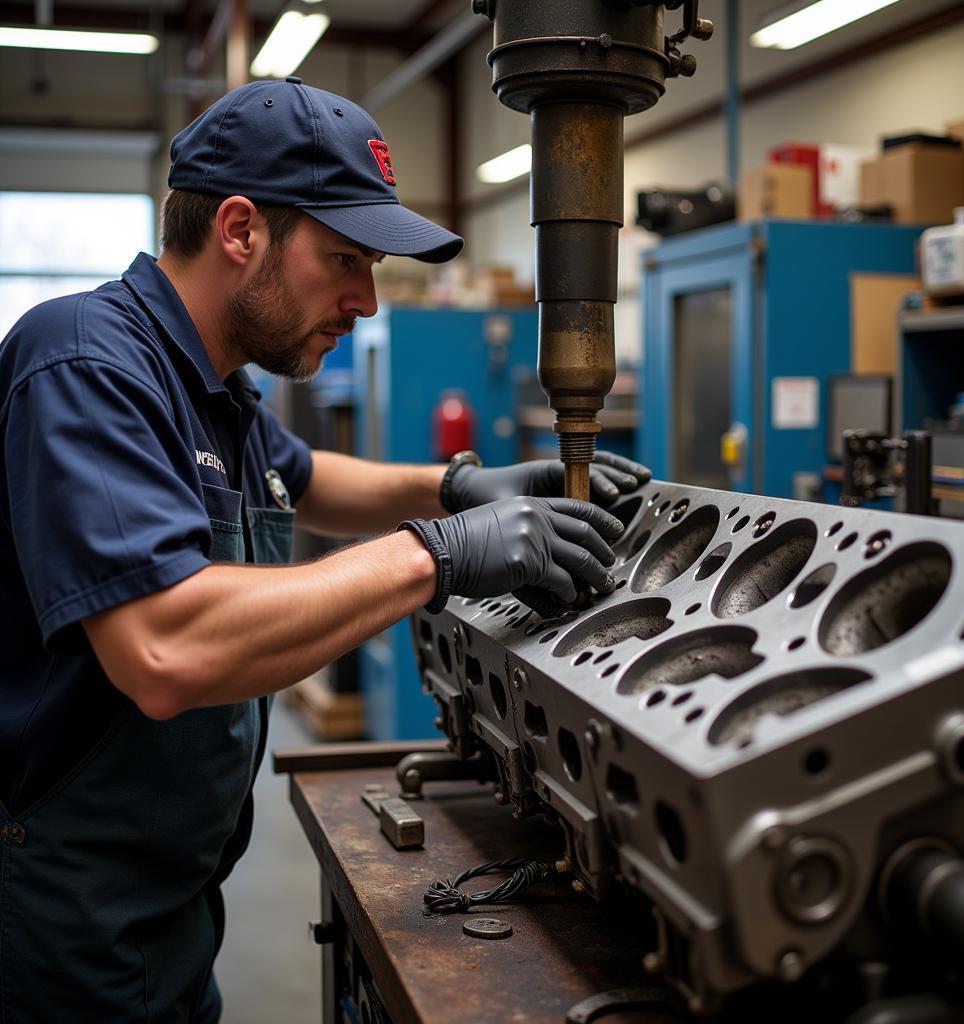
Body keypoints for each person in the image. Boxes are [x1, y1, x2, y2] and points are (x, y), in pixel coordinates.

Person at [0, 78, 650, 1021]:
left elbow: (307, 479)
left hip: (165, 894)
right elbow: (164, 649)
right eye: (345, 258)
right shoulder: (87, 365)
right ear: (239, 230)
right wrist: (441, 552)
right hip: (59, 905)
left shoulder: (214, 385)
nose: (369, 301)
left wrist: (460, 485)